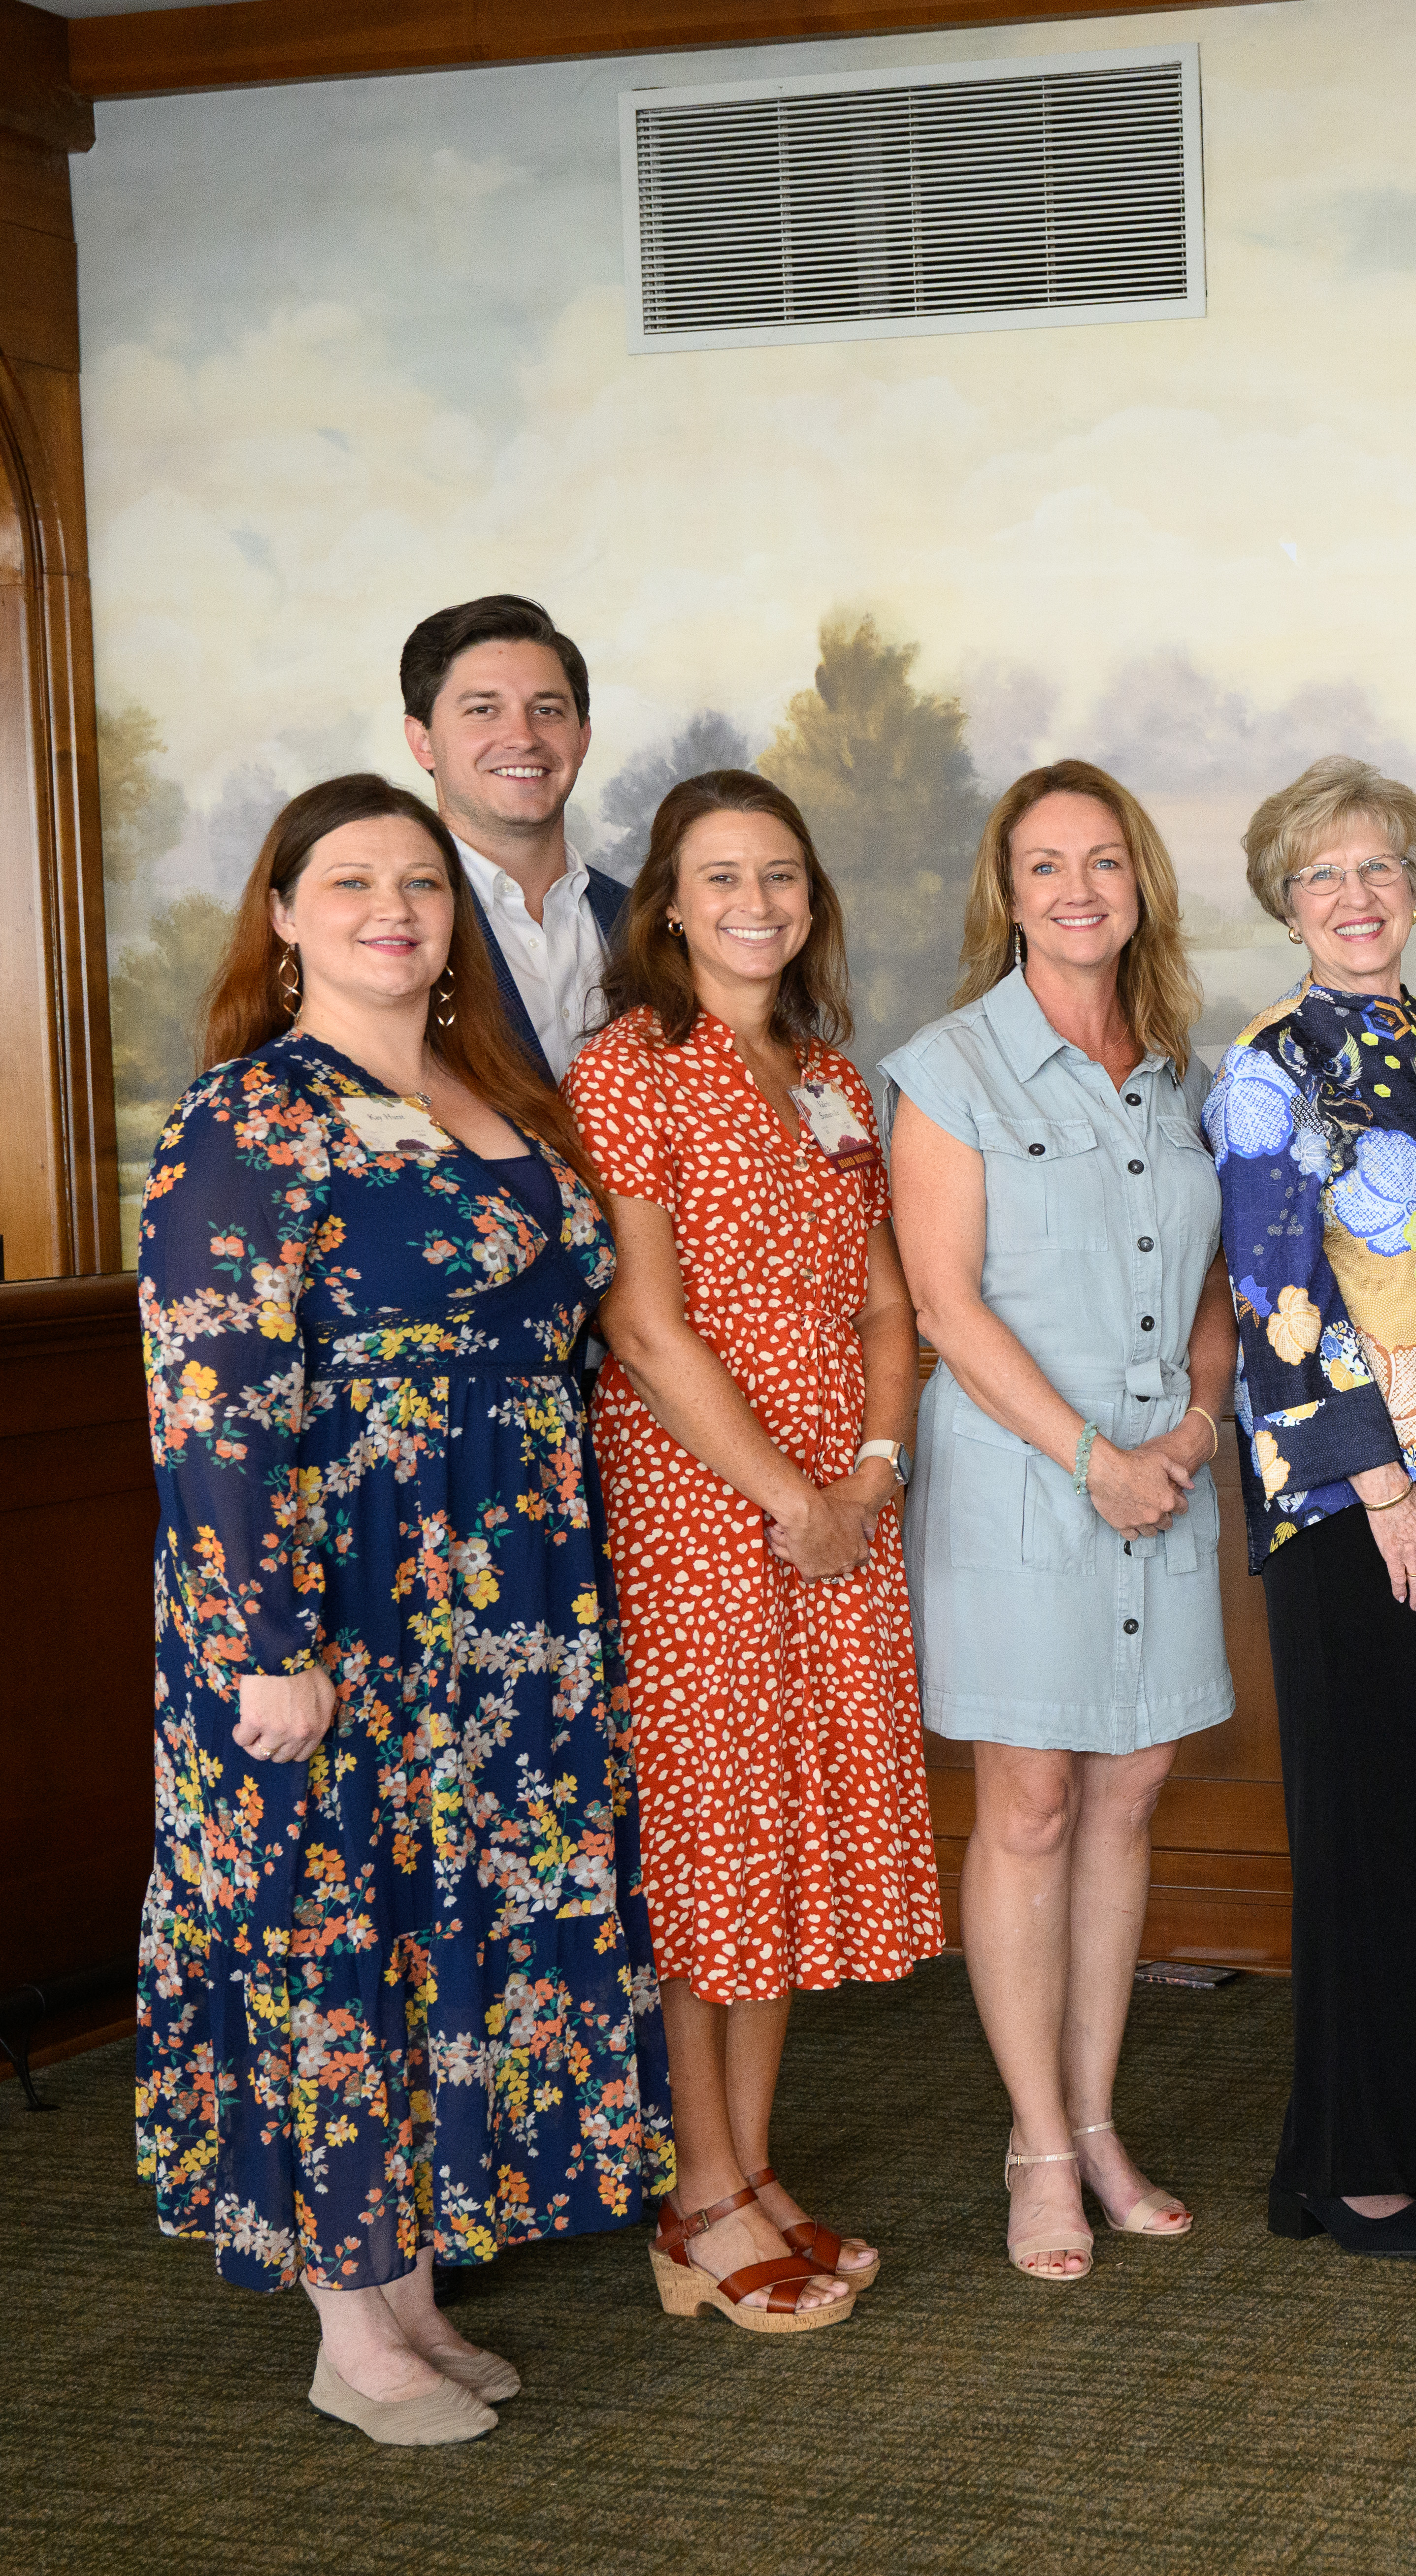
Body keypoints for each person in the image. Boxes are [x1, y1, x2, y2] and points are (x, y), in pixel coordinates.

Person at [134, 774, 668, 2443]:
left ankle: (412, 2288)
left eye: (421, 883)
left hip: (510, 1594)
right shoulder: (246, 1123)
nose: (394, 909)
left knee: (458, 1934)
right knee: (328, 1932)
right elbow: (208, 1404)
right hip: (337, 1596)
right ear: (282, 914)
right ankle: (342, 2328)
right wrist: (262, 1648)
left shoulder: (487, 1086)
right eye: (351, 882)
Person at [576, 769, 943, 2333]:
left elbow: (883, 1305)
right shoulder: (625, 1072)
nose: (754, 903)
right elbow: (645, 1326)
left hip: (842, 1506)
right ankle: (701, 2192)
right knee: (714, 1838)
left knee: (785, 1833)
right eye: (719, 877)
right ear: (667, 903)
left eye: (780, 875)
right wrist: (783, 1498)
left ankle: (748, 2167)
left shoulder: (833, 1078)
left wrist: (863, 1470)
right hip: (697, 1505)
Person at [885, 760, 1236, 2280]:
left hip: (1168, 1474)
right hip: (1027, 1479)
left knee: (1129, 1795)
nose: (1078, 887)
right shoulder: (947, 1067)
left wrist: (1199, 1427)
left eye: (1105, 859)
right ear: (1005, 892)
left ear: (1139, 881)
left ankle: (1098, 2122)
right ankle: (1035, 2145)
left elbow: (1220, 1287)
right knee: (1028, 1803)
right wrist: (1094, 1457)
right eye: (1045, 865)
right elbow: (944, 1306)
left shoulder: (1178, 1069)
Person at [1205, 756, 1416, 2261]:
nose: (1356, 898)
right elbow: (1275, 1296)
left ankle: (1415, 2124)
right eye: (1323, 877)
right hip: (1357, 1496)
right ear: (1286, 904)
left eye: (1380, 870)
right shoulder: (1269, 1066)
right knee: (1363, 1825)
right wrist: (1382, 1484)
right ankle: (1348, 2169)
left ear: (1414, 886)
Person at [398, 595, 628, 1078]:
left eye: (547, 710)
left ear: (582, 738)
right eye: (484, 710)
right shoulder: (382, 927)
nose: (523, 737)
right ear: (423, 742)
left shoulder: (652, 926)